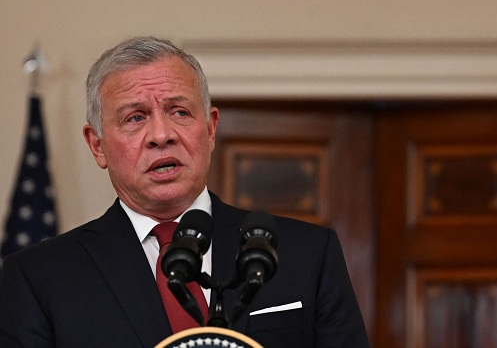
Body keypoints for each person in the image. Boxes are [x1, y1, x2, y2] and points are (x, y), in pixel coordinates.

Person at [0, 36, 371, 348]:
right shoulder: (39, 277)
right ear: (97, 145)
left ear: (210, 130)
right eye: (135, 117)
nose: (162, 135)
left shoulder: (305, 254)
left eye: (179, 112)